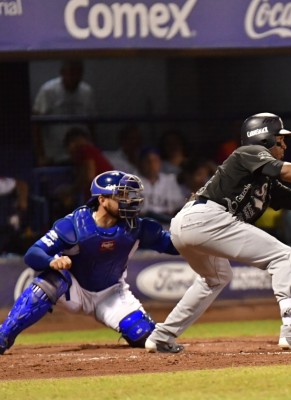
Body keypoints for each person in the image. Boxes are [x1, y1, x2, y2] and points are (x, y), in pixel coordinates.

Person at [144, 112, 291, 353]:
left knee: (216, 278)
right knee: (282, 255)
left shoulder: (264, 180)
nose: (284, 144)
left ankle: (162, 336)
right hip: (207, 218)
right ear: (264, 140)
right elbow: (286, 171)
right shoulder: (247, 152)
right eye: (280, 139)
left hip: (189, 224)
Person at [0, 171, 179, 355]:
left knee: (147, 338)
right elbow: (33, 254)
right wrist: (51, 261)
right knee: (52, 281)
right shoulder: (74, 225)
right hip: (73, 289)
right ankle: (3, 336)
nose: (130, 200)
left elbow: (175, 245)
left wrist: (194, 232)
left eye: (130, 195)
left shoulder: (137, 227)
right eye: (122, 195)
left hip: (111, 294)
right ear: (102, 200)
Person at [32, 59, 96, 166]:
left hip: (81, 153)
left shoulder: (87, 91)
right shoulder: (48, 91)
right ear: (62, 73)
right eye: (71, 73)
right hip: (54, 153)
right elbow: (36, 125)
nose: (74, 77)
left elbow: (92, 123)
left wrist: (93, 148)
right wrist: (40, 155)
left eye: (77, 73)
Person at [137, 147, 187, 226]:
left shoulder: (170, 180)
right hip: (141, 225)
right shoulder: (132, 180)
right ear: (140, 163)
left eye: (155, 161)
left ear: (160, 162)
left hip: (166, 224)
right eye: (147, 161)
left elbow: (179, 206)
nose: (151, 164)